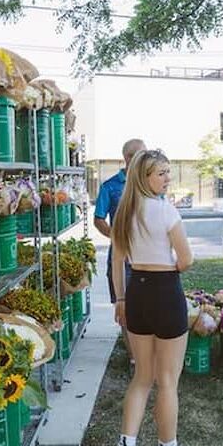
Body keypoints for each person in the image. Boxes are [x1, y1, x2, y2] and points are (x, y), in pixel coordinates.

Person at [110, 149, 195, 446]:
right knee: (168, 381)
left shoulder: (124, 212)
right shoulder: (166, 211)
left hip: (136, 293)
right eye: (161, 173)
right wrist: (171, 268)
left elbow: (118, 261)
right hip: (164, 290)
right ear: (144, 178)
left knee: (142, 377)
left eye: (168, 172)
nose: (167, 178)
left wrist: (120, 299)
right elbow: (186, 260)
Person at [94, 138, 146, 358]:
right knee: (124, 307)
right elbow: (99, 219)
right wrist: (116, 238)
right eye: (142, 155)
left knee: (146, 304)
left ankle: (146, 351)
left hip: (147, 255)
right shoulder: (110, 186)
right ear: (128, 158)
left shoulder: (149, 183)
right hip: (121, 258)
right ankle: (134, 357)